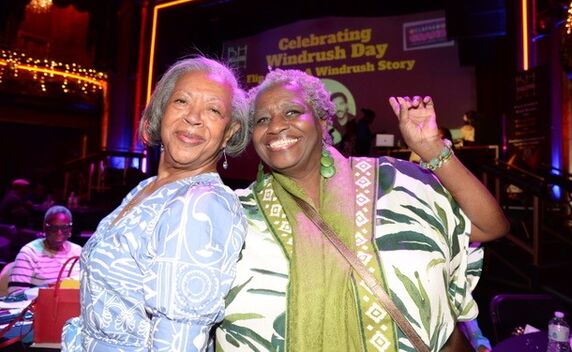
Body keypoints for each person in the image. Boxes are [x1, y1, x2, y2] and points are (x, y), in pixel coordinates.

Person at [216, 69, 509, 351]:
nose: (276, 125)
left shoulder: (396, 182)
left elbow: (490, 225)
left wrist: (432, 149)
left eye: (292, 112)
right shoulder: (237, 214)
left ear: (321, 121)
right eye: (262, 119)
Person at [62, 55, 249, 351]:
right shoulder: (147, 187)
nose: (193, 117)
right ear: (161, 112)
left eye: (213, 109)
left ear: (229, 133)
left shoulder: (201, 204)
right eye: (182, 102)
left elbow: (178, 343)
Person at [8, 205, 81, 294]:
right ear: (45, 228)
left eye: (64, 228)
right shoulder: (29, 253)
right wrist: (49, 290)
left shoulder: (78, 251)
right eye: (53, 228)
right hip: (38, 306)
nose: (59, 232)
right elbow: (15, 294)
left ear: (70, 229)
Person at [329, 91, 356, 155]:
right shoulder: (330, 123)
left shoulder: (354, 123)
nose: (338, 108)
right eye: (335, 105)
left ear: (346, 105)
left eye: (341, 104)